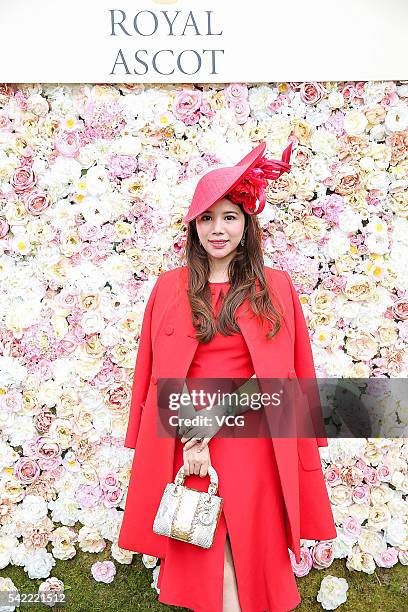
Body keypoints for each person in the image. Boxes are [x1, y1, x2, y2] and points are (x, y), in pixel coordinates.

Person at [118, 140, 337, 611]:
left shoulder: (274, 286)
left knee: (246, 545)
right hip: (185, 431)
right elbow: (155, 374)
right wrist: (192, 438)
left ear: (247, 224)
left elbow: (283, 374)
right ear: (194, 227)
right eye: (207, 218)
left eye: (229, 216)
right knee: (203, 544)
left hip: (251, 433)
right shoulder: (168, 287)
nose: (218, 229)